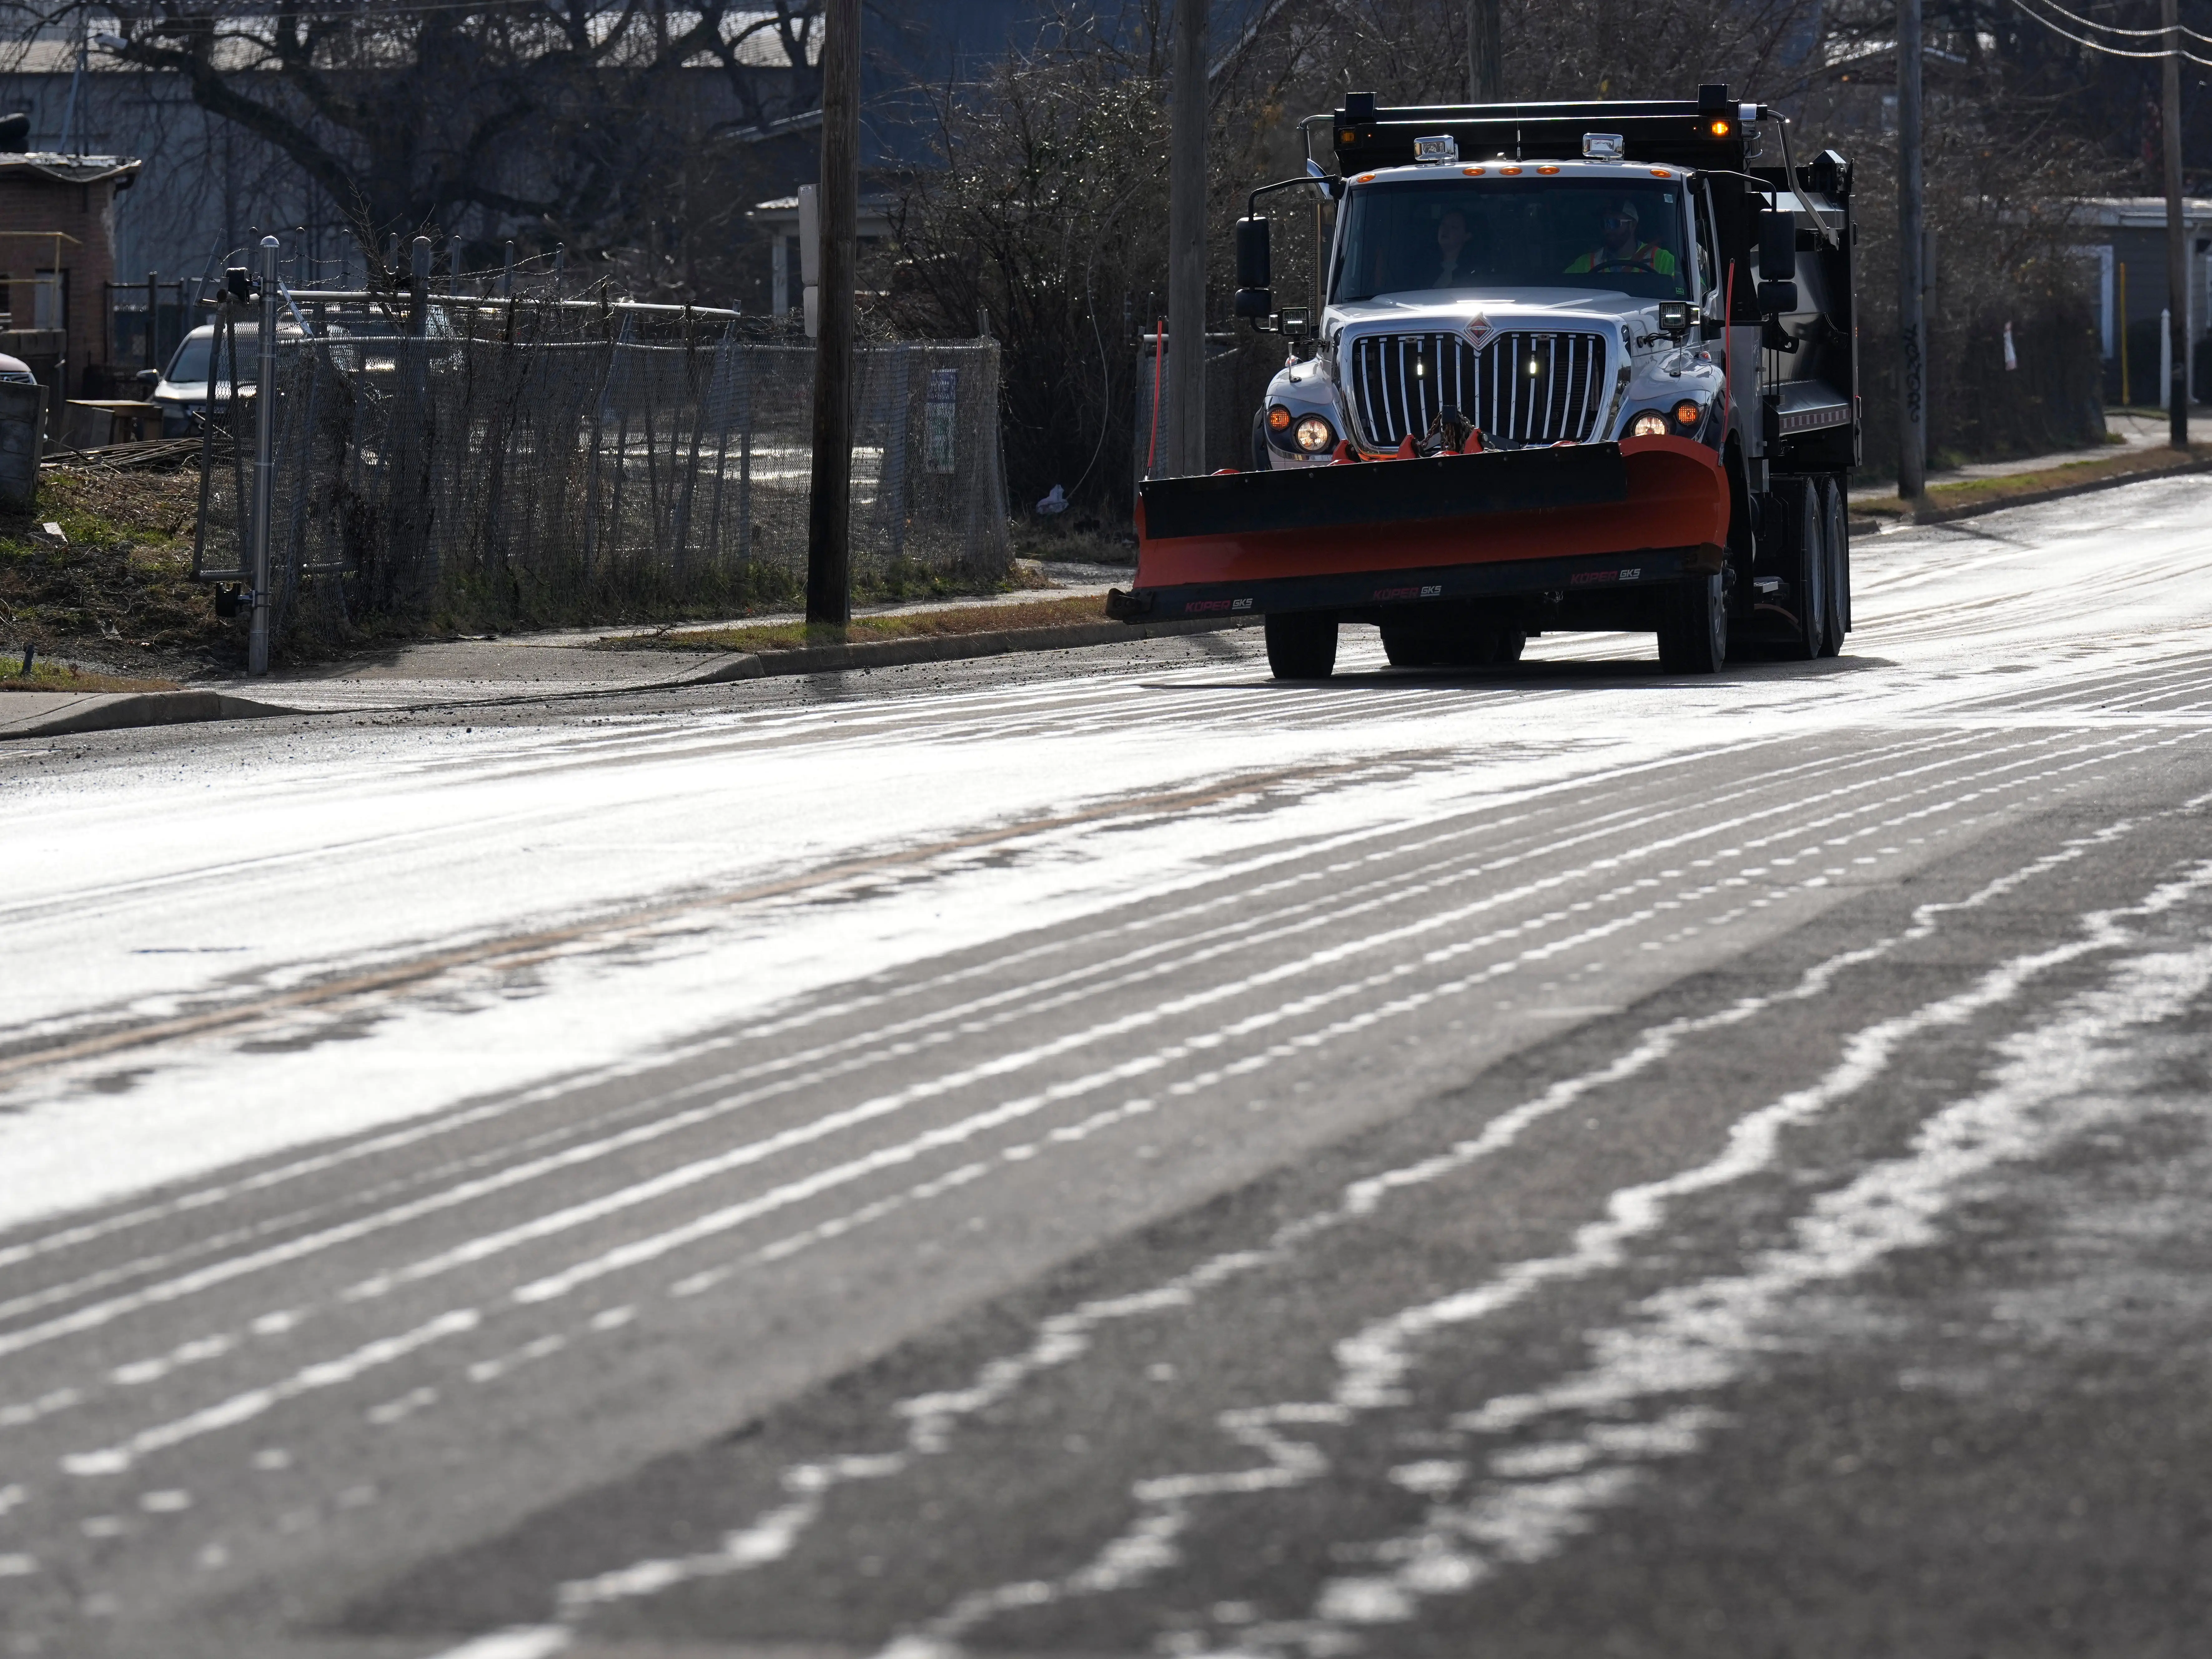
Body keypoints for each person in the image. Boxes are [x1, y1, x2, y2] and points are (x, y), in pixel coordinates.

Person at [1565, 198, 1678, 277]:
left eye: (1614, 223)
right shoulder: (1585, 263)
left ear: (1633, 225)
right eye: (1604, 224)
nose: (1608, 230)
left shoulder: (1662, 260)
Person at [1429, 210, 1472, 287]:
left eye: (1454, 227)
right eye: (1443, 225)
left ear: (1467, 236)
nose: (1445, 230)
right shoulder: (1424, 266)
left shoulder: (1474, 271)